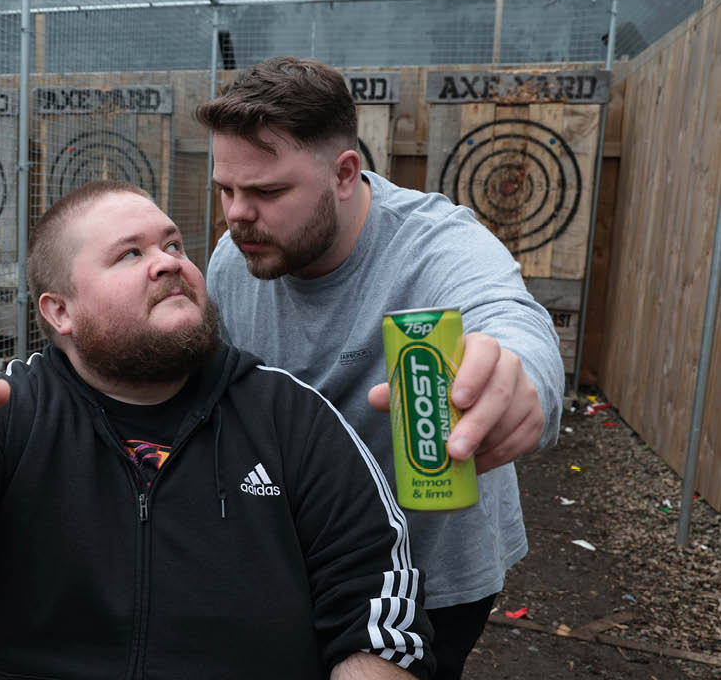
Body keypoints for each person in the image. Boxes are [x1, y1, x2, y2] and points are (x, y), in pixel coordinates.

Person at [0, 180, 437, 679]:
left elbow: (381, 625)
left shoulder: (291, 417)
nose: (168, 262)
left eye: (173, 245)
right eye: (131, 254)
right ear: (59, 312)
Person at [195, 56, 565, 680]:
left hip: (432, 573)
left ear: (345, 174)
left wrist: (521, 382)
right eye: (226, 190)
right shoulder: (236, 259)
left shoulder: (436, 245)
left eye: (267, 191)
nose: (236, 215)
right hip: (299, 557)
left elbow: (509, 320)